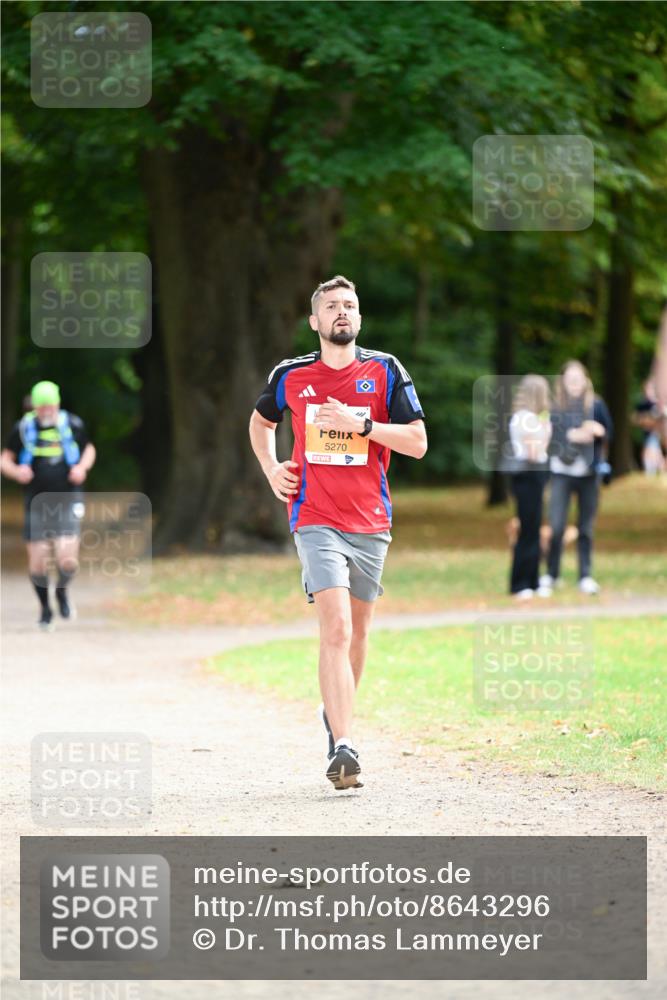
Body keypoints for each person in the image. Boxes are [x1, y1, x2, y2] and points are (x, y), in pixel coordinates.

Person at [249, 275, 427, 790]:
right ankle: (344, 746)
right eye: (331, 306)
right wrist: (271, 467)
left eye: (349, 305)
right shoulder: (291, 375)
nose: (341, 312)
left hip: (370, 519)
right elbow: (261, 423)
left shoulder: (385, 370)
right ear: (315, 321)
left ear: (360, 318)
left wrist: (361, 426)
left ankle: (335, 719)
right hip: (314, 517)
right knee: (337, 628)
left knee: (359, 632)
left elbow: (417, 443)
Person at [1, 381, 96, 629]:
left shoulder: (72, 424)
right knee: (38, 561)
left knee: (67, 558)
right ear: (34, 406)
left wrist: (82, 468)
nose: (46, 411)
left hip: (68, 498)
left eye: (50, 406)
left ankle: (62, 592)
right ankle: (45, 610)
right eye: (41, 406)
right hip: (36, 501)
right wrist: (17, 472)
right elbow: (5, 460)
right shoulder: (23, 429)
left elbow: (89, 450)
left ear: (57, 403)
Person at [539, 361, 612, 596]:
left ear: (585, 380)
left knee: (586, 528)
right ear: (562, 381)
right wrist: (572, 435)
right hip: (561, 472)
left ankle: (585, 576)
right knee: (557, 526)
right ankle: (552, 574)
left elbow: (609, 431)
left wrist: (598, 431)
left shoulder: (596, 404)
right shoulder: (555, 407)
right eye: (570, 379)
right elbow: (548, 439)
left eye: (578, 378)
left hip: (589, 475)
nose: (574, 383)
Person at [505, 375, 552, 600]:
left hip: (531, 476)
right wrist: (546, 430)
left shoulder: (527, 417)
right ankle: (520, 583)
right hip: (529, 475)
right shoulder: (526, 419)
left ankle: (533, 581)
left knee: (533, 529)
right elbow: (534, 452)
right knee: (528, 530)